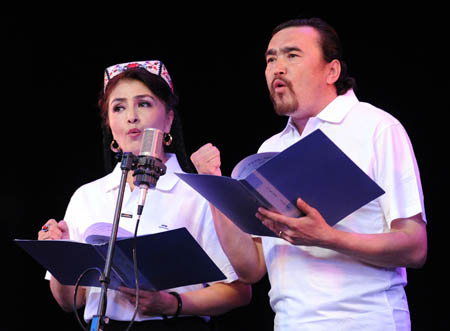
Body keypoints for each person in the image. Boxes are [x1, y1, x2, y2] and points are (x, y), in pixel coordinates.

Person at [191, 18, 427, 331]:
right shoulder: (271, 147)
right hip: (290, 323)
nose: (277, 67)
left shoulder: (376, 128)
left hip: (365, 320)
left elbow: (414, 246)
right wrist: (215, 188)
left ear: (332, 71)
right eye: (270, 58)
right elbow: (252, 270)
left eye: (292, 55)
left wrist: (327, 237)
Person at [38, 60, 251, 330]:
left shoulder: (196, 192)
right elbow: (71, 302)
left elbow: (240, 291)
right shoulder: (87, 196)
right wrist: (59, 255)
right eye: (119, 107)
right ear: (109, 124)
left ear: (169, 118)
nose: (131, 116)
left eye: (144, 103)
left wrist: (172, 303)